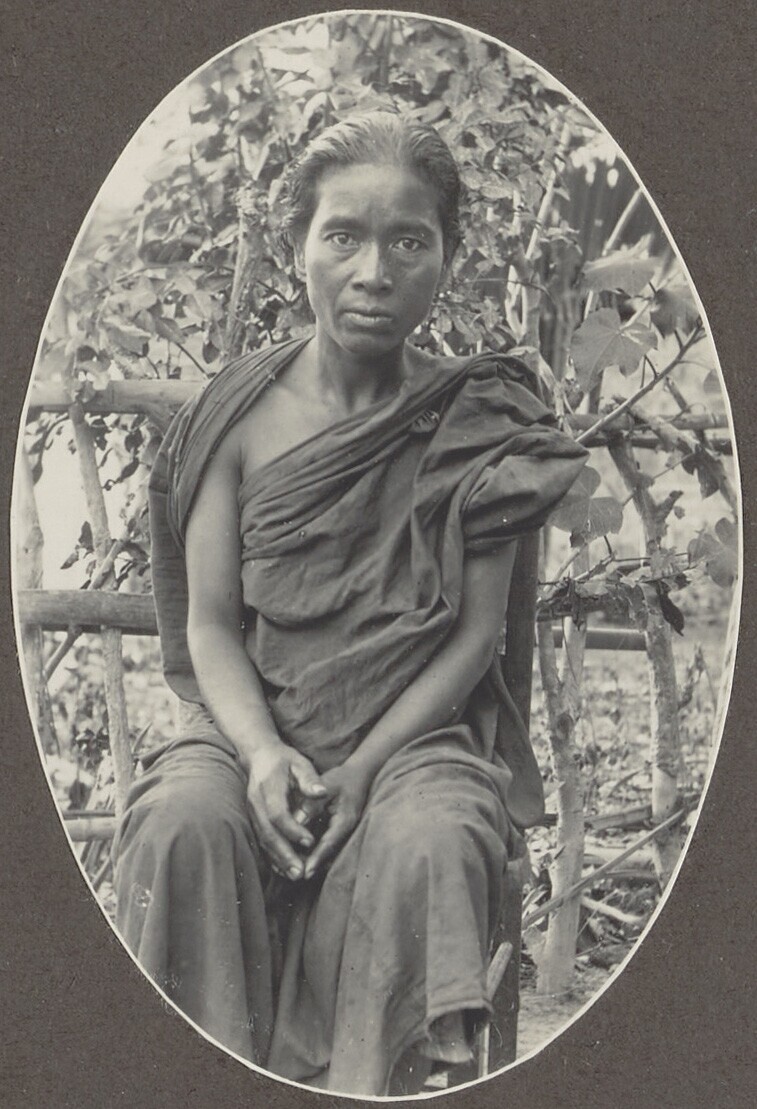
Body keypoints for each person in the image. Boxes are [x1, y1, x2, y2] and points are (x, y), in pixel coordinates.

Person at [112, 111, 588, 1096]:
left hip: (413, 743)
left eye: (409, 241)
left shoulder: (478, 422)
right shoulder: (233, 418)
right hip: (249, 724)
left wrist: (364, 771)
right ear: (298, 246)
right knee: (181, 822)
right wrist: (262, 754)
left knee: (434, 838)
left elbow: (472, 639)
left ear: (446, 257)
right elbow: (210, 623)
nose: (375, 271)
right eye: (343, 236)